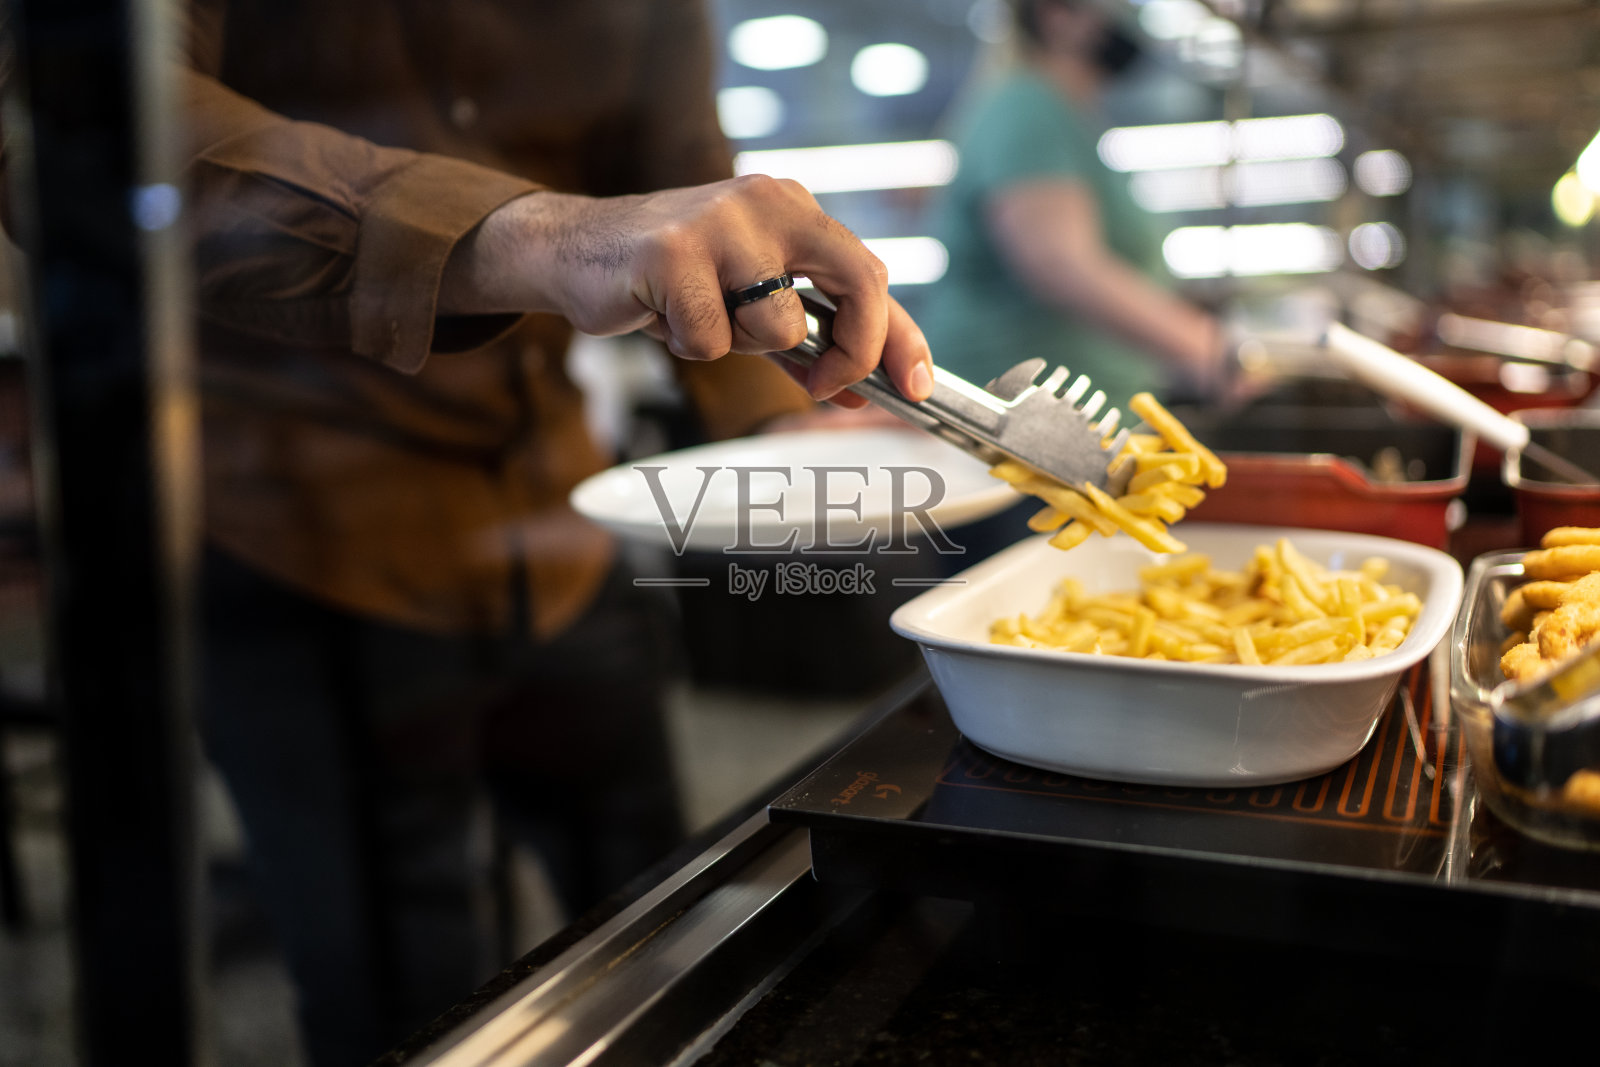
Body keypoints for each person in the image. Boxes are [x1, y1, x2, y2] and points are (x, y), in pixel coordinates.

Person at [5, 4, 932, 1065]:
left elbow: (677, 172)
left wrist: (793, 415)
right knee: (406, 994)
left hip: (554, 512)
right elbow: (100, 121)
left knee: (663, 925)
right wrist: (531, 234)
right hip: (299, 529)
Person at [919, 0, 1221, 406]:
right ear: (1056, 15)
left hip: (1067, 418)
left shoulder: (1064, 115)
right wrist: (1209, 348)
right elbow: (1059, 264)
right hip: (1022, 421)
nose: (1131, 17)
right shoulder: (1028, 108)